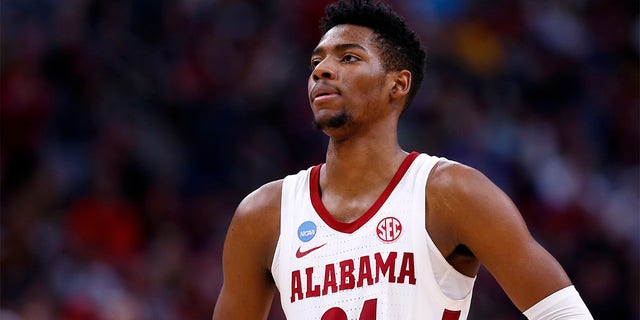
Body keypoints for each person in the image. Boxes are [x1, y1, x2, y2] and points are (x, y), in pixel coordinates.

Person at [212, 0, 594, 319]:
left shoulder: (450, 192)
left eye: (348, 57)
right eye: (316, 62)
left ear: (398, 84)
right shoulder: (263, 214)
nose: (322, 70)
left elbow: (564, 313)